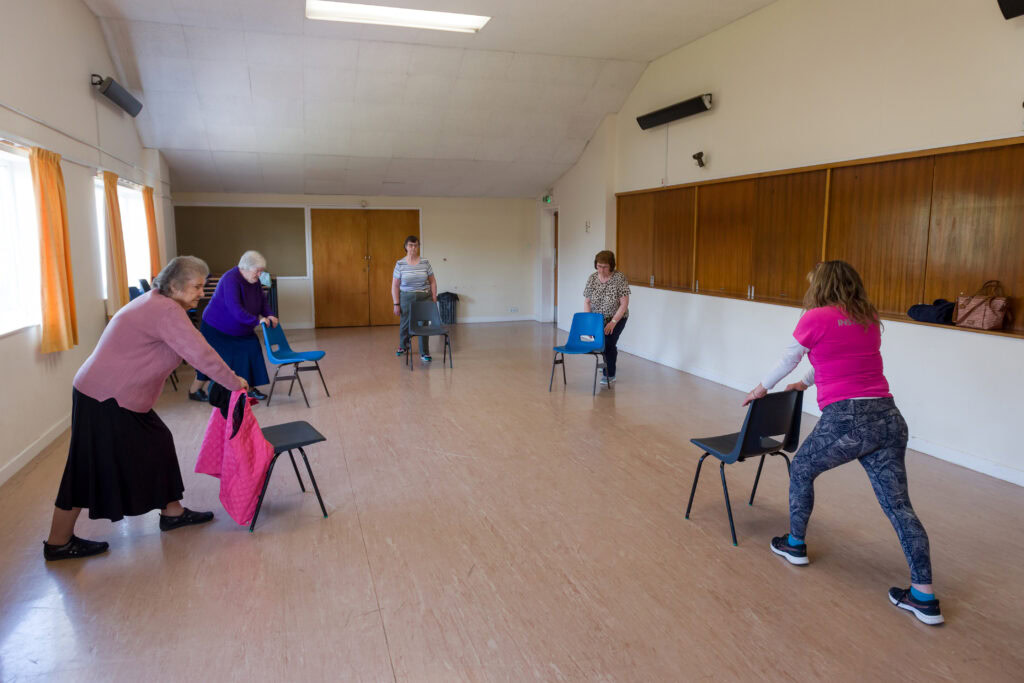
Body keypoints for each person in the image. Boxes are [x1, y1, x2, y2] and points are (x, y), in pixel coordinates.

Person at [743, 260, 942, 625]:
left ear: (821, 285)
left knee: (801, 468)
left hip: (847, 419)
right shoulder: (867, 317)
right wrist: (806, 382)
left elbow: (790, 357)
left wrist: (760, 388)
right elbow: (837, 358)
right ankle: (923, 597)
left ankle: (796, 545)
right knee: (900, 508)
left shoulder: (815, 317)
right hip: (888, 420)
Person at [43, 256, 249, 561]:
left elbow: (194, 348)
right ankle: (58, 543)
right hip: (105, 397)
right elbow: (200, 354)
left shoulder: (161, 305)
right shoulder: (165, 311)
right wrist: (235, 383)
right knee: (86, 467)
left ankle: (172, 511)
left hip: (114, 395)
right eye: (196, 286)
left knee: (158, 442)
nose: (201, 292)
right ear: (175, 286)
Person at [189, 250, 278, 401]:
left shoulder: (254, 281)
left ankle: (249, 388)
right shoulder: (230, 279)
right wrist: (257, 321)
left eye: (261, 271)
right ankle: (195, 390)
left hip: (240, 329)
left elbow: (262, 301)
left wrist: (269, 314)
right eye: (257, 271)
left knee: (252, 349)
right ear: (245, 268)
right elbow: (235, 309)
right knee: (212, 360)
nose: (259, 275)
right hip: (216, 329)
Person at [583, 250, 630, 386]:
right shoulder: (592, 278)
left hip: (617, 317)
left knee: (609, 343)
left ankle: (609, 374)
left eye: (604, 267)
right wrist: (589, 321)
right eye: (598, 266)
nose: (601, 270)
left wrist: (613, 322)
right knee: (594, 341)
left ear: (611, 265)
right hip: (597, 318)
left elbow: (624, 304)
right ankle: (607, 362)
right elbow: (587, 302)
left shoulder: (619, 278)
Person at [391, 235, 438, 363]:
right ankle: (403, 346)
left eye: (416, 245)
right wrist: (396, 303)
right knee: (405, 323)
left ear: (418, 247)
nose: (413, 248)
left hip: (424, 296)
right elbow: (395, 285)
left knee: (424, 324)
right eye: (410, 245)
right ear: (406, 247)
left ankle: (425, 352)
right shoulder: (400, 264)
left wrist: (434, 297)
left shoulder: (425, 262)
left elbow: (432, 281)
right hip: (406, 297)